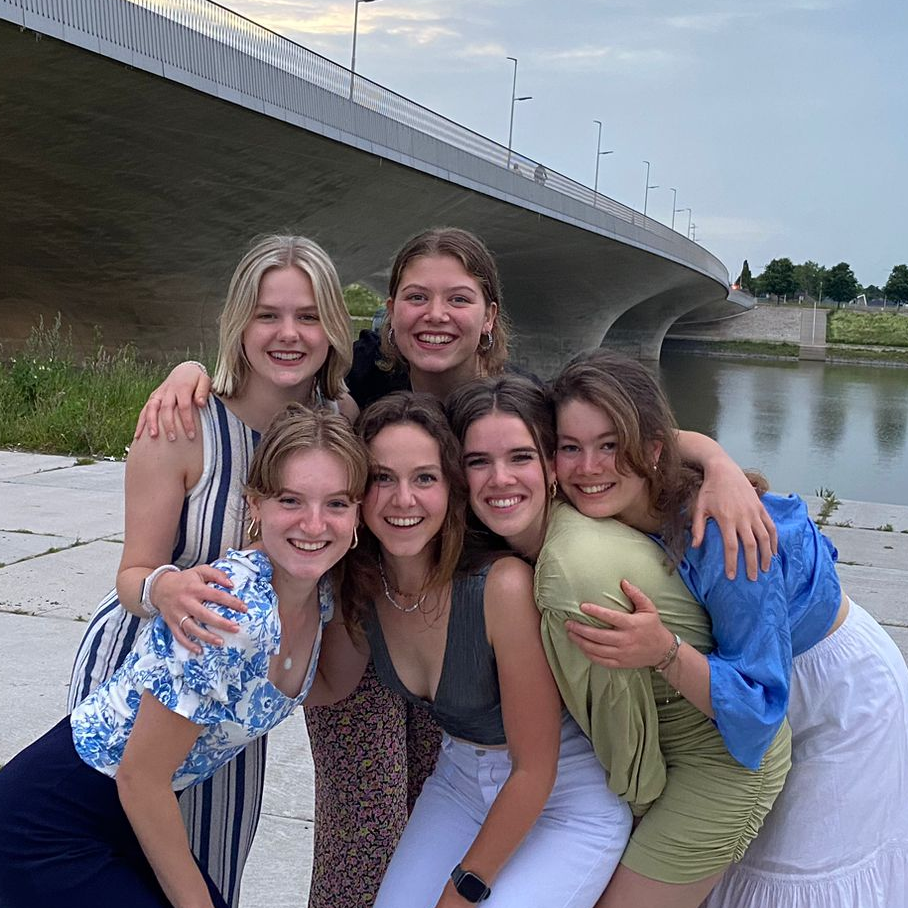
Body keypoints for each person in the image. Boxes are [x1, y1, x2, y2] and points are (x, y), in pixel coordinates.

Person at [132, 227, 776, 906]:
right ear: (389, 310)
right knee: (363, 829)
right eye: (417, 297)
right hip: (377, 614)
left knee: (456, 804)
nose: (435, 314)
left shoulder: (516, 403)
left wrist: (715, 460)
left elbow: (610, 439)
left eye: (458, 298)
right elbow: (277, 382)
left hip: (478, 649)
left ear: (490, 314)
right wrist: (194, 374)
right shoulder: (362, 386)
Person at [550, 349, 908, 908]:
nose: (589, 467)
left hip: (837, 691)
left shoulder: (718, 533)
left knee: (803, 871)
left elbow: (760, 706)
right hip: (761, 663)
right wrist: (716, 457)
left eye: (610, 446)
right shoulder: (625, 494)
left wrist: (664, 651)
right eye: (570, 447)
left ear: (652, 450)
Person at [67, 234, 357, 907]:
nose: (288, 334)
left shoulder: (340, 422)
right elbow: (131, 575)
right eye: (267, 314)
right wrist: (165, 587)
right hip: (141, 679)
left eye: (308, 316)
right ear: (239, 323)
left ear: (334, 328)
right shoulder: (183, 423)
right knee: (117, 870)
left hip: (236, 704)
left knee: (209, 870)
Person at [0, 405, 369, 908]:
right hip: (44, 828)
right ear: (256, 505)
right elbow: (140, 778)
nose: (314, 523)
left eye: (336, 504)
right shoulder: (231, 614)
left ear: (357, 514)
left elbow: (325, 686)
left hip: (125, 821)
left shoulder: (319, 596)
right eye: (291, 499)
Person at [446, 375, 793, 908]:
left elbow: (629, 752)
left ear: (545, 467)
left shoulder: (565, 576)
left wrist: (626, 825)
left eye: (520, 457)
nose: (500, 478)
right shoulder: (569, 526)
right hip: (695, 744)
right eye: (477, 462)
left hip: (725, 766)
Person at [316, 391, 632, 906]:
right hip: (459, 783)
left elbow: (535, 771)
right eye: (382, 478)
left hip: (563, 799)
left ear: (452, 488)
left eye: (425, 478)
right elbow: (326, 683)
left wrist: (462, 891)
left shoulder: (500, 587)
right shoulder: (366, 588)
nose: (403, 500)